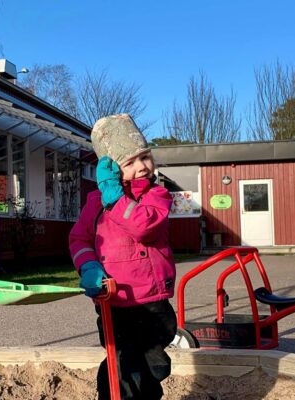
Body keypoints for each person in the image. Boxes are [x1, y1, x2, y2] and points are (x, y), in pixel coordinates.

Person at [68, 114, 178, 400]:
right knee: (121, 365)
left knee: (153, 365)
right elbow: (80, 239)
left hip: (152, 301)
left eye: (145, 157)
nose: (142, 166)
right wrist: (89, 266)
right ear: (112, 168)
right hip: (114, 301)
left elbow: (143, 226)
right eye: (130, 162)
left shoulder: (157, 196)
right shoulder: (95, 203)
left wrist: (115, 199)